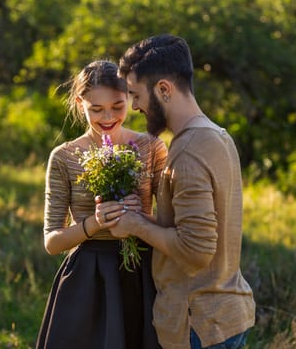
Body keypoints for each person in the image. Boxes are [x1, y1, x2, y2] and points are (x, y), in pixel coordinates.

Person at [107, 34, 256, 349]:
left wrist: (136, 225)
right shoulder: (218, 135)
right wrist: (145, 215)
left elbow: (196, 249)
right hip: (227, 316)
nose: (133, 106)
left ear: (163, 89)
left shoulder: (188, 149)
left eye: (135, 95)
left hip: (198, 325)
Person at [36, 60, 168, 349]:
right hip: (87, 280)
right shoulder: (64, 157)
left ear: (131, 100)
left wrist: (140, 220)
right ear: (79, 102)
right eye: (96, 109)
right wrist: (95, 223)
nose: (107, 117)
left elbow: (173, 226)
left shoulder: (152, 147)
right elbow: (52, 242)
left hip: (141, 274)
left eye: (117, 106)